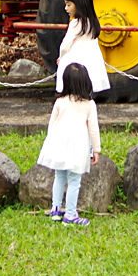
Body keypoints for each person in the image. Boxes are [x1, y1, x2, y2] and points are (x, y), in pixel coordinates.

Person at [35, 62, 101, 226]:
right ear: (86, 82)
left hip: (59, 143)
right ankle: (70, 214)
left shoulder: (60, 102)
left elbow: (52, 124)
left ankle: (55, 210)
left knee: (59, 177)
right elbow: (93, 129)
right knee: (74, 181)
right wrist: (96, 149)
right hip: (77, 146)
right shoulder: (89, 104)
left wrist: (50, 142)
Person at [55, 0, 111, 95]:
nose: (66, 8)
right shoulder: (92, 23)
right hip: (91, 61)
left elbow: (65, 45)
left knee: (73, 93)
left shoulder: (76, 24)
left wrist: (61, 57)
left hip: (75, 62)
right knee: (86, 94)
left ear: (79, 4)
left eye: (69, 5)